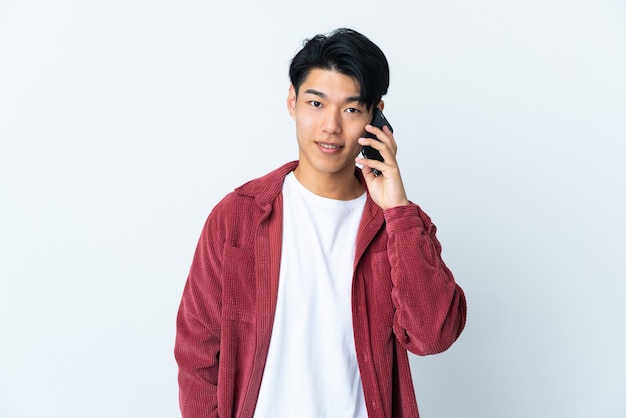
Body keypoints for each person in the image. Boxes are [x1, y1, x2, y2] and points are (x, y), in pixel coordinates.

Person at [174, 28, 467, 418]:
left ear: (376, 115)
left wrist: (397, 211)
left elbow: (433, 336)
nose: (330, 126)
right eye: (316, 103)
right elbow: (197, 351)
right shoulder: (238, 217)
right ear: (292, 102)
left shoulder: (400, 224)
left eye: (350, 109)